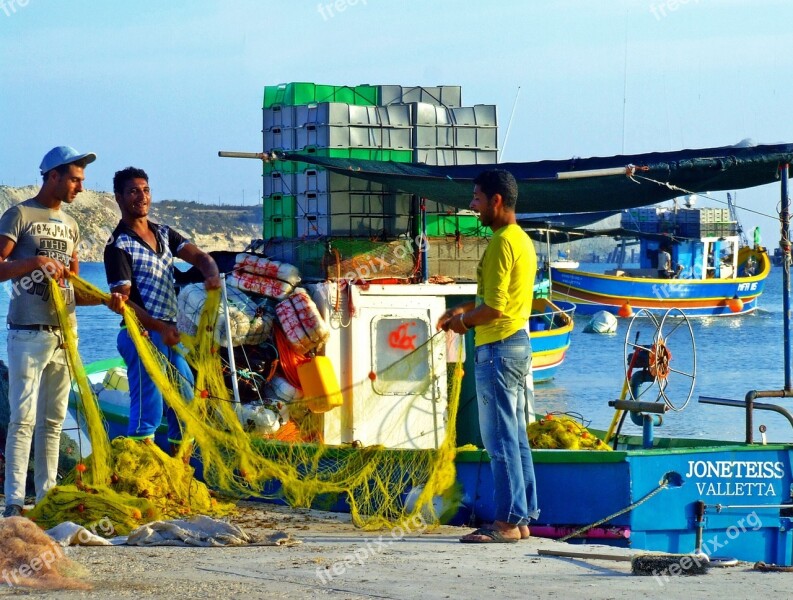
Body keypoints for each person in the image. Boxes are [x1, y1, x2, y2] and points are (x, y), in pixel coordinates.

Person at [437, 169, 538, 543]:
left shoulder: (499, 243)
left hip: (496, 348)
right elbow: (499, 300)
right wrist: (462, 312)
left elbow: (493, 308)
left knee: (498, 440)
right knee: (516, 435)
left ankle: (508, 523)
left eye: (477, 198)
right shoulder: (522, 240)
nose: (472, 204)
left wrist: (462, 322)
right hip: (517, 342)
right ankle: (523, 517)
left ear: (496, 200)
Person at [1, 146, 98, 518]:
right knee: (21, 418)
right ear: (53, 176)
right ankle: (13, 502)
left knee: (54, 422)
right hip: (28, 332)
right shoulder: (20, 214)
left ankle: (47, 498)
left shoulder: (72, 226)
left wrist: (108, 299)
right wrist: (34, 263)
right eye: (74, 179)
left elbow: (72, 285)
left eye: (82, 181)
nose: (80, 187)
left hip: (64, 336)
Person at [104, 167, 220, 455]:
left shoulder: (165, 234)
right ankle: (142, 472)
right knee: (148, 405)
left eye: (145, 189)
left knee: (185, 398)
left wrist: (211, 273)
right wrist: (159, 328)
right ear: (119, 198)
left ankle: (181, 468)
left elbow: (200, 257)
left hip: (167, 334)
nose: (141, 196)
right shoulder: (119, 244)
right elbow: (124, 302)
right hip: (141, 334)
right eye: (133, 191)